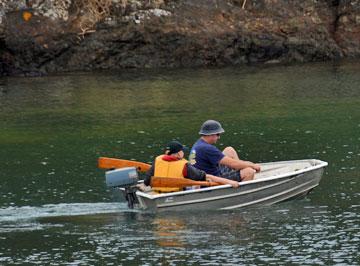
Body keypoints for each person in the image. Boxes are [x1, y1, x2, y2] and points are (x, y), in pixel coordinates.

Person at [144, 140, 239, 193]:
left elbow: (147, 182)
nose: (183, 153)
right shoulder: (184, 165)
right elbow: (207, 176)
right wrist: (230, 182)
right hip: (176, 194)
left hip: (157, 195)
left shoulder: (157, 161)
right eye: (182, 151)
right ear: (178, 154)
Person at [189, 120, 261, 182]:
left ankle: (239, 173)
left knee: (229, 150)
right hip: (212, 179)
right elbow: (234, 164)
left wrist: (245, 164)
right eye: (218, 134)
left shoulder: (199, 144)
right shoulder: (207, 148)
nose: (219, 137)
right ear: (210, 134)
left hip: (207, 173)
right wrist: (252, 165)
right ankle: (239, 189)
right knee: (249, 171)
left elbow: (231, 162)